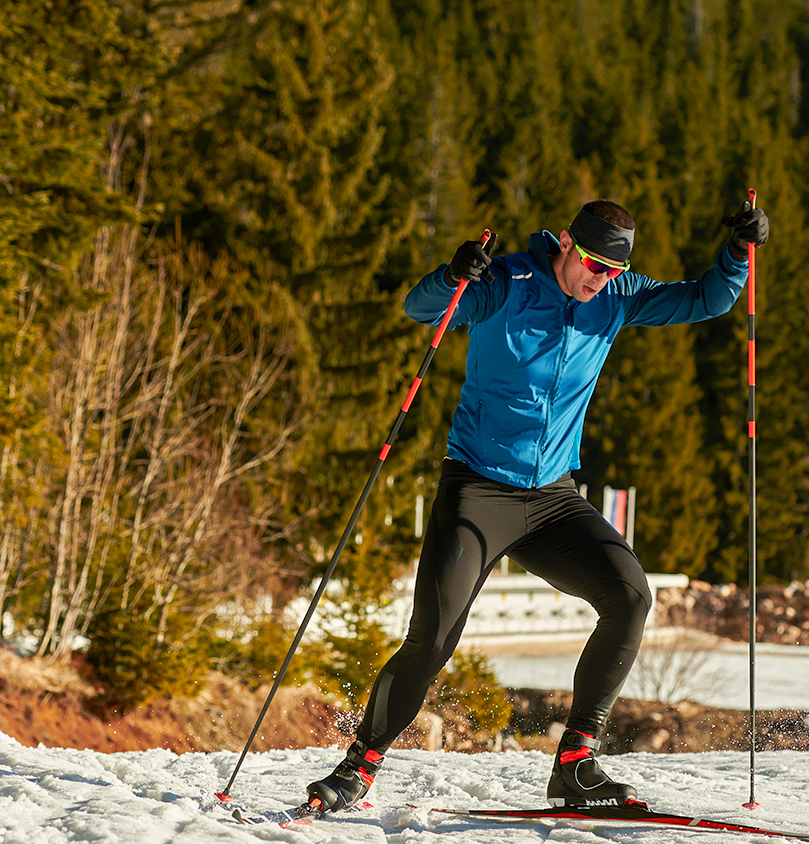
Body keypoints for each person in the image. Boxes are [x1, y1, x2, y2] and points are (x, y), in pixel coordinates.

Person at [306, 197, 769, 811]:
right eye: (593, 265)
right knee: (434, 638)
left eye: (612, 270)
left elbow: (706, 298)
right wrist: (453, 276)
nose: (600, 279)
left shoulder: (617, 295)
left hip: (551, 499)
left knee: (630, 595)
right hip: (477, 489)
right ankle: (357, 767)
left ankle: (576, 766)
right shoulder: (507, 284)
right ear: (568, 248)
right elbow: (420, 309)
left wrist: (739, 253)